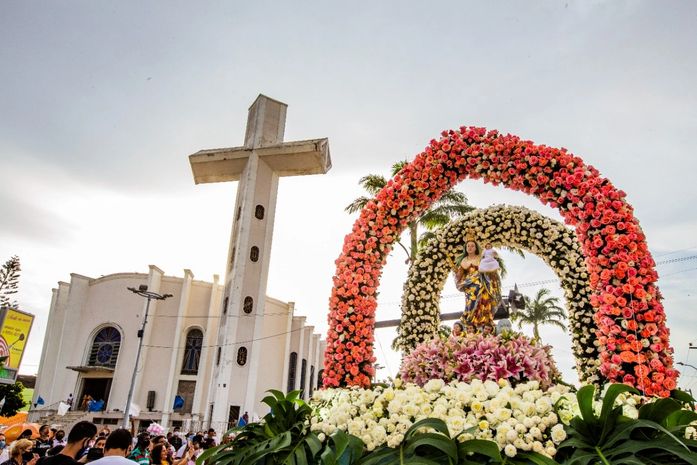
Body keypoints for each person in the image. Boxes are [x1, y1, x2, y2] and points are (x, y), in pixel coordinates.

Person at [454, 238, 502, 328]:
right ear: (465, 248)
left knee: (485, 300)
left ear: (476, 248)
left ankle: (486, 322)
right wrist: (458, 277)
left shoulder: (481, 257)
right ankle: (471, 322)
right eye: (468, 246)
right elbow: (459, 274)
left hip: (483, 284)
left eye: (472, 246)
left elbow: (489, 266)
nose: (470, 247)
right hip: (470, 285)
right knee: (471, 302)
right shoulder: (464, 260)